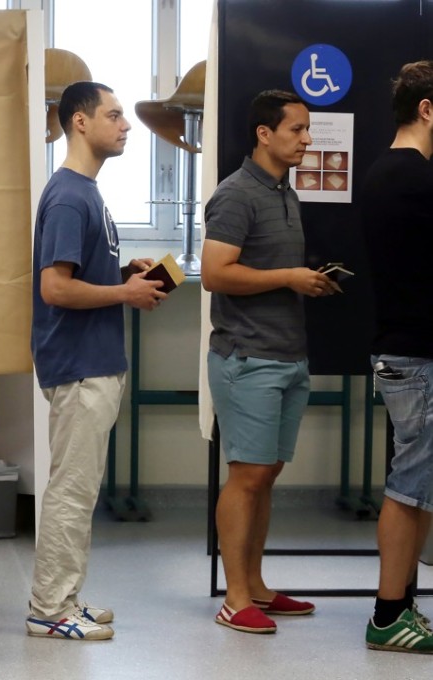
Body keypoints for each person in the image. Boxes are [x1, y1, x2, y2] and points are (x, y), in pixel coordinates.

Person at [27, 81, 165, 641]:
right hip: (79, 366)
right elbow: (55, 289)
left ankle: (66, 598)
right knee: (72, 489)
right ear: (79, 122)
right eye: (114, 115)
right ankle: (50, 608)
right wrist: (123, 295)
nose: (126, 126)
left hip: (97, 362)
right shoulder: (68, 196)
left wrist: (121, 278)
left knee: (81, 489)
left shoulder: (88, 193)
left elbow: (80, 277)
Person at [202, 89, 336, 634]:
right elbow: (215, 274)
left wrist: (306, 280)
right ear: (265, 133)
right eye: (297, 130)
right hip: (247, 356)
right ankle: (235, 598)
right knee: (247, 476)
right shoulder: (236, 195)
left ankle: (256, 586)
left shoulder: (285, 191)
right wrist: (288, 277)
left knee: (267, 474)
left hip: (287, 353)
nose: (306, 139)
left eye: (307, 130)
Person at [360, 60, 433, 653]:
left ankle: (401, 607)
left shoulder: (389, 173)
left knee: (419, 485)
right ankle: (388, 615)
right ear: (427, 109)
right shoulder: (413, 179)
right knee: (410, 487)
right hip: (418, 356)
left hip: (406, 350)